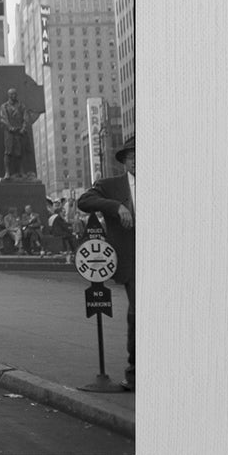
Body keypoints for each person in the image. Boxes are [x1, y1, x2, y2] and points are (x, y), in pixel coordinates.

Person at [78, 135, 135, 391]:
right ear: (125, 162)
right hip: (132, 260)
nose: (136, 161)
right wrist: (115, 207)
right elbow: (85, 201)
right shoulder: (111, 185)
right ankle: (135, 373)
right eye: (131, 157)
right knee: (139, 315)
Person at [0, 87, 37, 179]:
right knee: (8, 152)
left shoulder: (21, 106)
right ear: (9, 95)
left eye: (15, 94)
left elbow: (26, 118)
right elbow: (3, 119)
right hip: (9, 133)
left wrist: (23, 128)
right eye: (12, 94)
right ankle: (7, 172)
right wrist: (10, 127)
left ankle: (21, 171)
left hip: (20, 132)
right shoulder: (4, 106)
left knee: (20, 152)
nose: (14, 96)